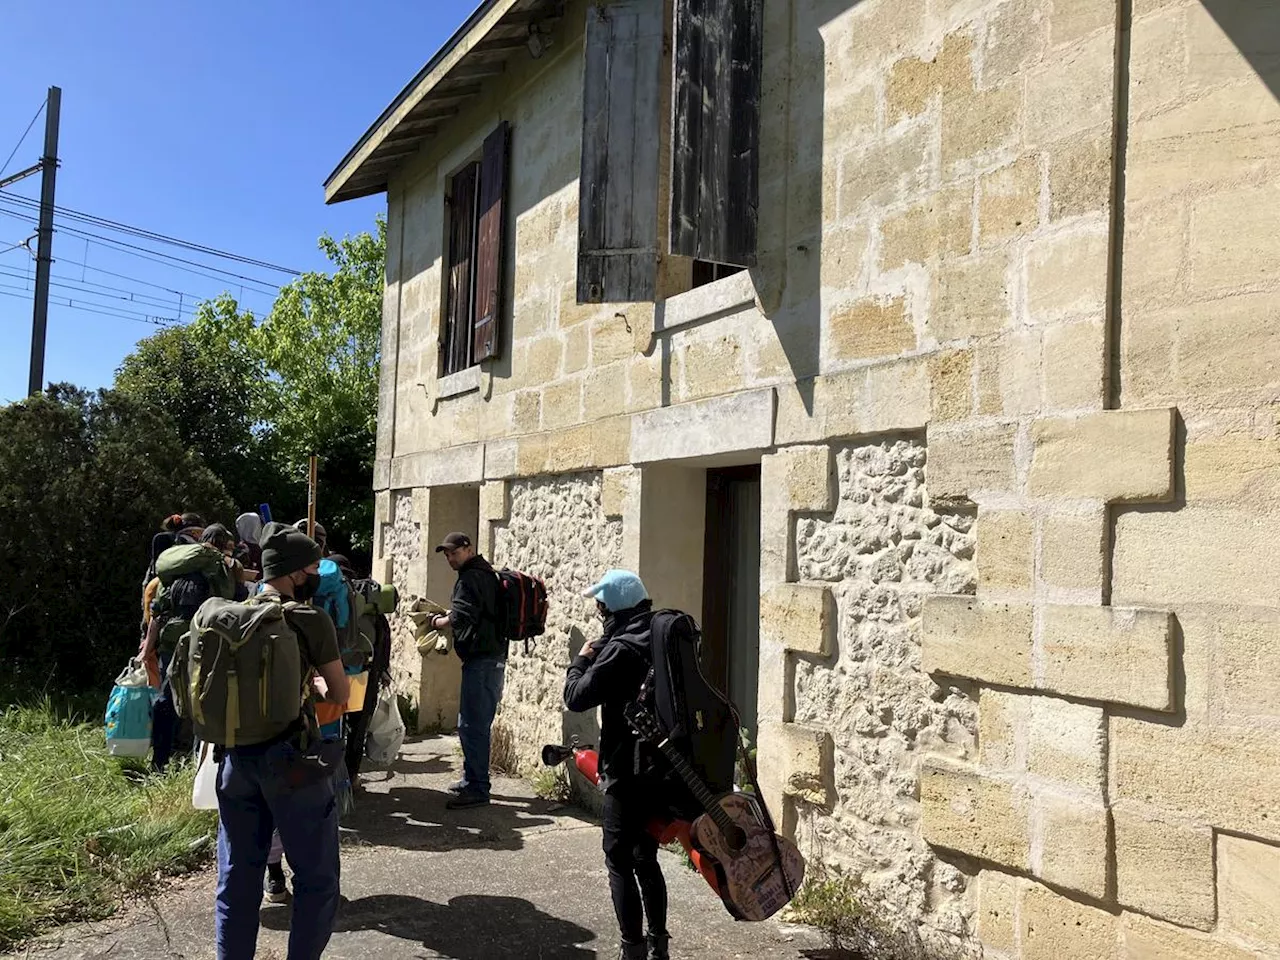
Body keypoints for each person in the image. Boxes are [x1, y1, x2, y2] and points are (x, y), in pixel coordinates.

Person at [213, 522, 349, 960]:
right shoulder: (308, 618)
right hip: (293, 761)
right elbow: (341, 695)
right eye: (313, 568)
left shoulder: (230, 614)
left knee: (238, 879)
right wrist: (315, 688)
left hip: (234, 761)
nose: (316, 576)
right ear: (294, 573)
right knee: (316, 879)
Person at [563, 570, 670, 960]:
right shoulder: (662, 637)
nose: (599, 615)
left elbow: (576, 697)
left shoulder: (620, 649)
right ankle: (659, 945)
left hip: (627, 769)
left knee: (619, 860)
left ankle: (633, 949)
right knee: (647, 858)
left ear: (612, 609)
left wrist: (581, 660)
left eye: (601, 608)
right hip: (665, 766)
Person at [428, 532, 504, 810]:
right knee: (472, 723)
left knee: (473, 726)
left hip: (482, 660)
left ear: (468, 549)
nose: (450, 558)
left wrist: (438, 622)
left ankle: (478, 788)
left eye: (454, 553)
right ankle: (471, 779)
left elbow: (461, 615)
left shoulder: (471, 578)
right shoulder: (485, 573)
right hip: (489, 657)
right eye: (447, 555)